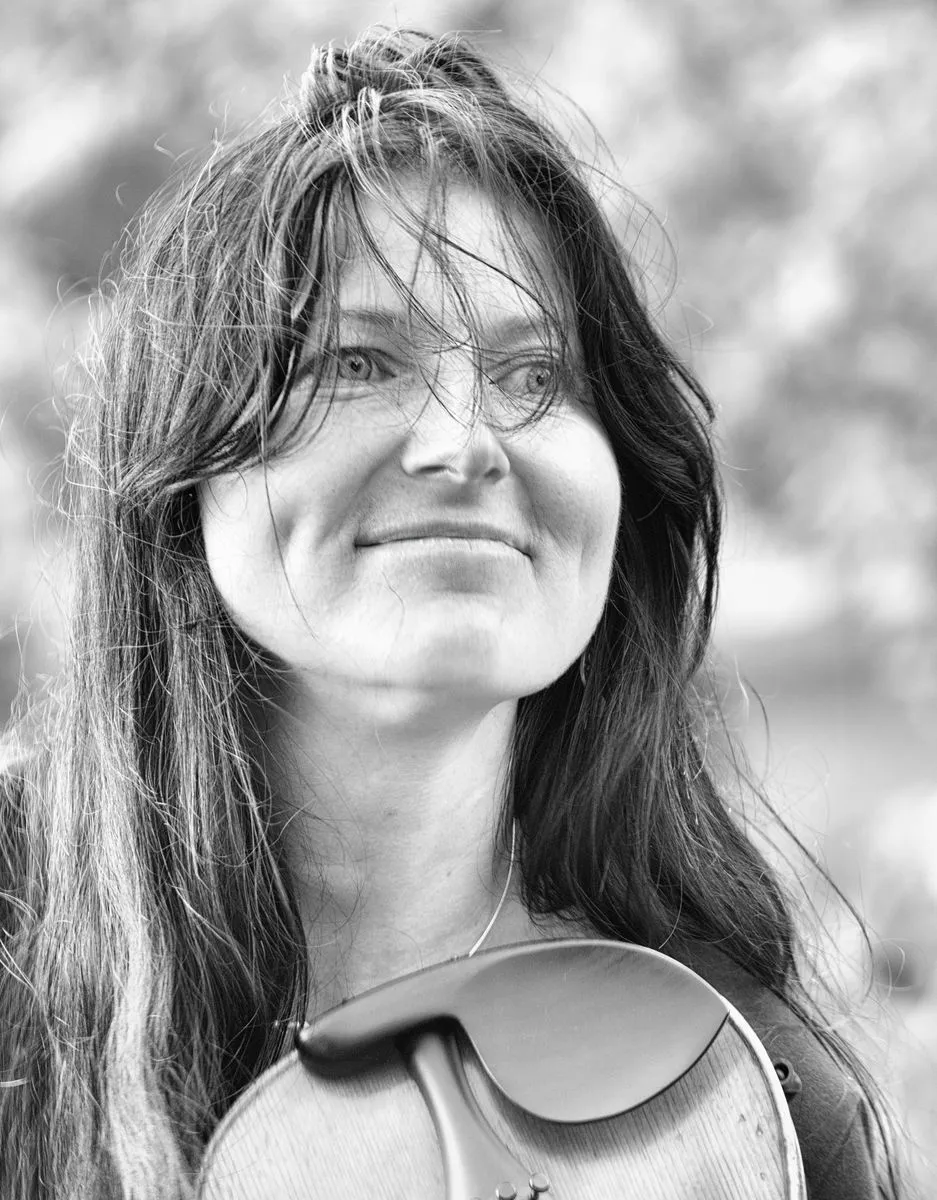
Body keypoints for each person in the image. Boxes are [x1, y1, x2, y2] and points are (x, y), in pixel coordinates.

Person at [0, 25, 905, 1200]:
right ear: (181, 480)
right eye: (357, 363)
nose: (464, 444)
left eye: (536, 377)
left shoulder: (748, 1099)